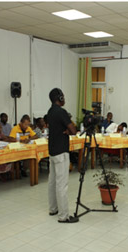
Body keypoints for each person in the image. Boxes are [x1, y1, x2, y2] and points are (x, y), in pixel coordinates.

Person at [46, 88, 78, 223]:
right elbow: (74, 130)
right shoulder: (61, 112)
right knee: (62, 184)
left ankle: (53, 209)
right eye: (63, 97)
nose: (64, 99)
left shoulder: (50, 111)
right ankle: (63, 216)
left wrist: (65, 130)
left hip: (52, 152)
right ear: (59, 98)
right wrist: (68, 130)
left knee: (52, 182)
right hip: (61, 152)